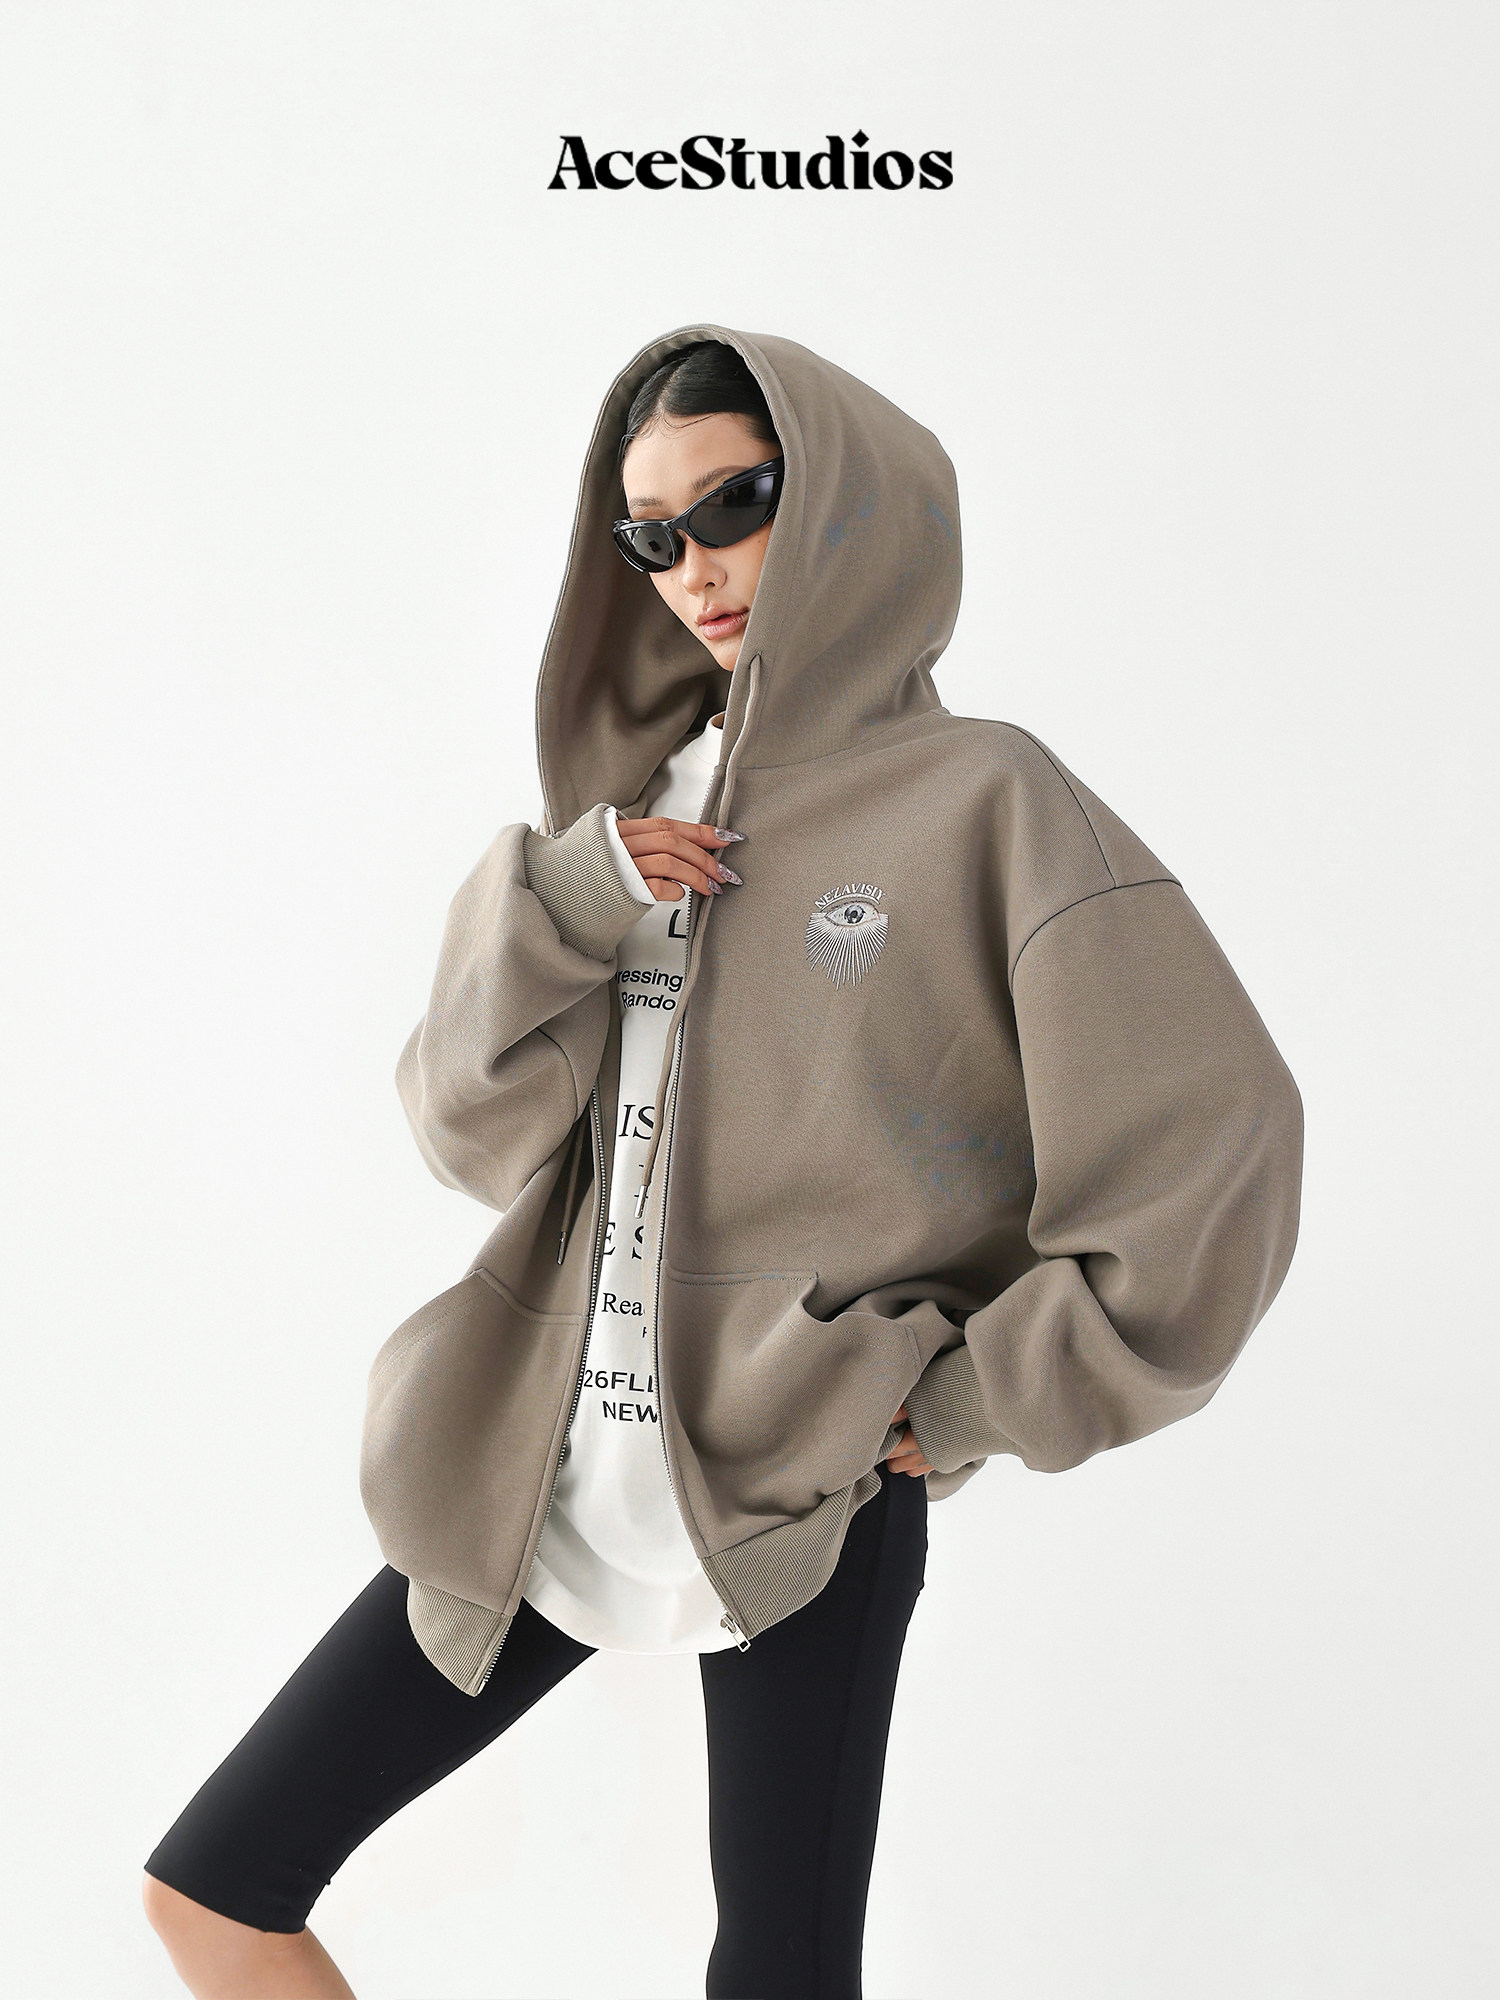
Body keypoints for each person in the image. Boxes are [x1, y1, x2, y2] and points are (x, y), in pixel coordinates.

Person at [142, 326, 1304, 1999]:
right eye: (649, 536)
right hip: (540, 1463)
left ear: (842, 503)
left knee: (778, 1971)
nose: (693, 568)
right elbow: (464, 1130)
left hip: (805, 1480)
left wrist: (981, 1396)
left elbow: (1214, 1144)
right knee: (216, 1890)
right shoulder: (623, 813)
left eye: (735, 506)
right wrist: (567, 896)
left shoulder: (984, 797)